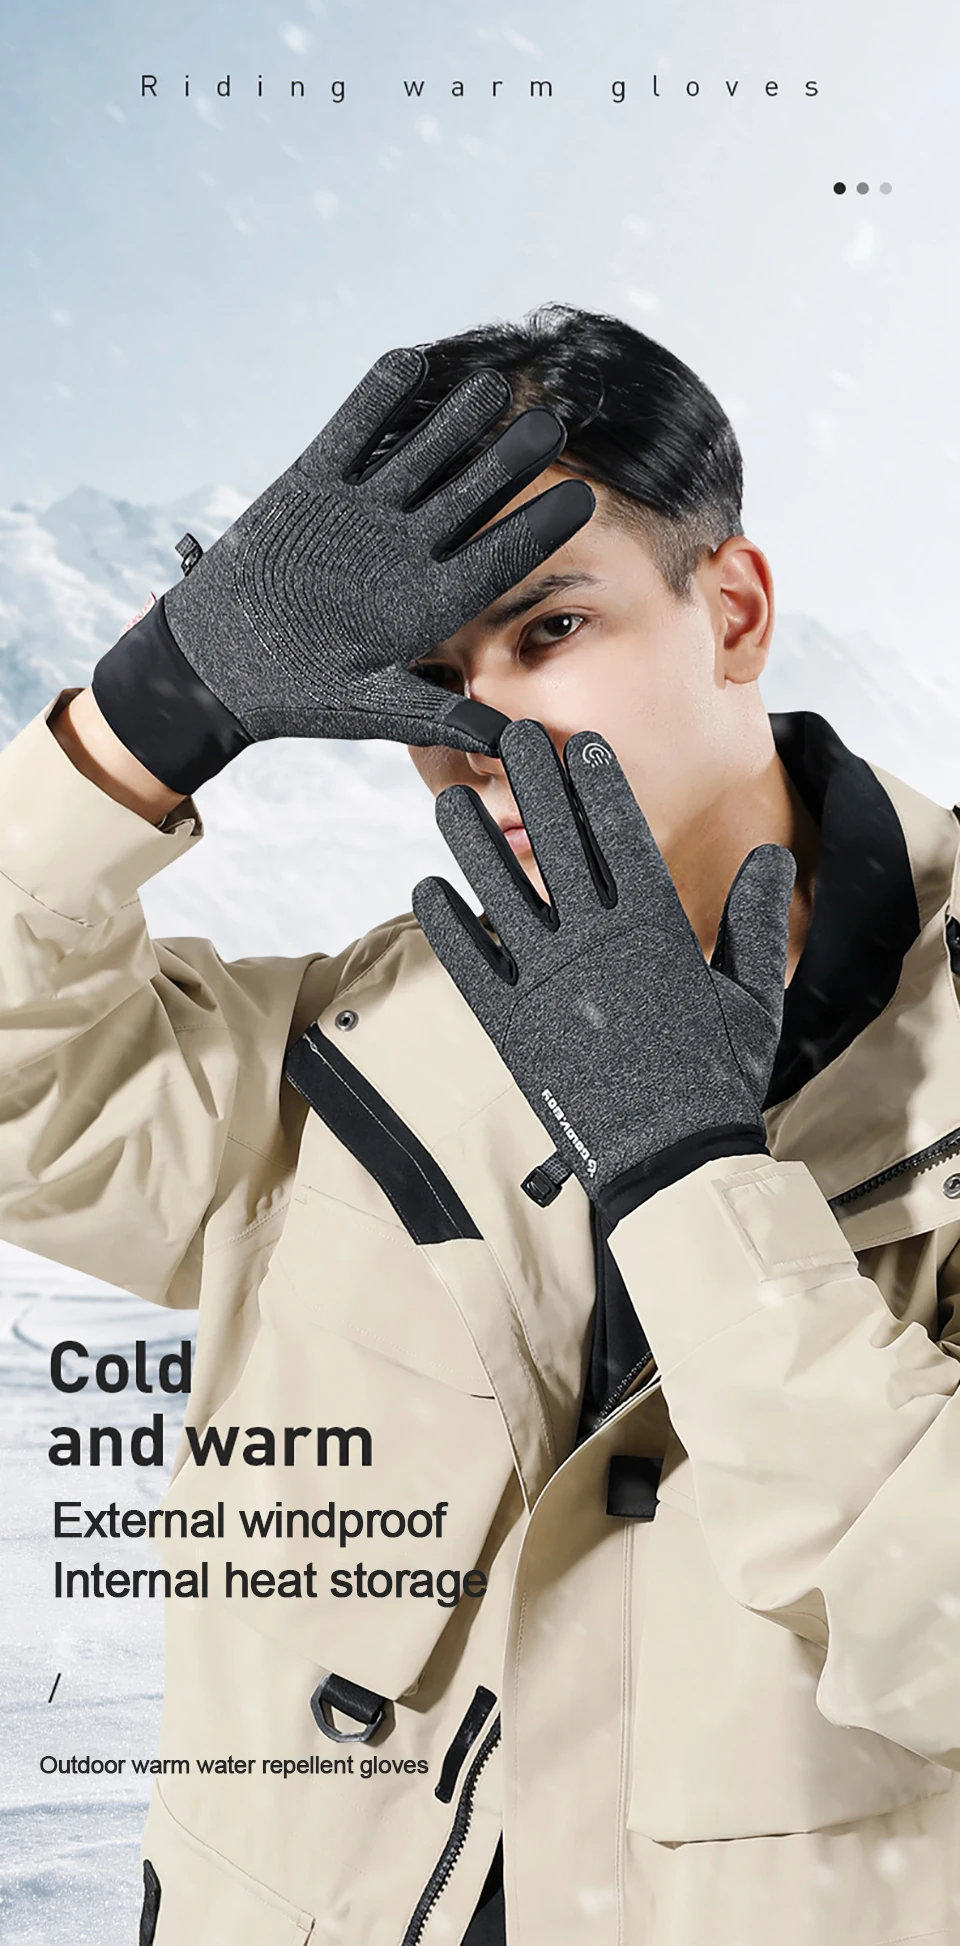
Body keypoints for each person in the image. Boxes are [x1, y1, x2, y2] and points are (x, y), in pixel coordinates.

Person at [1, 306, 959, 1946]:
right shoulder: (361, 1040)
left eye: (547, 627)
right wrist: (158, 706)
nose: (481, 739)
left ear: (732, 611)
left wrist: (688, 1170)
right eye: (433, 677)